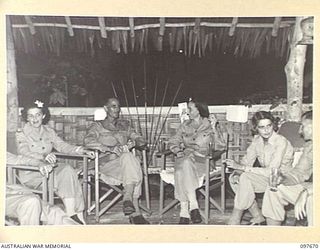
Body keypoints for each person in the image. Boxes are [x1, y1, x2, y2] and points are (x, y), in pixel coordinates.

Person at [15, 99, 94, 224]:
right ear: (26, 118)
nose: (34, 119)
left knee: (67, 169)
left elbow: (62, 146)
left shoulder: (49, 131)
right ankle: (75, 216)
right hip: (32, 173)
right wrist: (43, 156)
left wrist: (80, 150)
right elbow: (24, 152)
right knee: (69, 179)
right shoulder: (21, 133)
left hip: (49, 171)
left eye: (38, 115)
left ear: (44, 115)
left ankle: (72, 214)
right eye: (30, 116)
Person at [84, 97, 149, 224]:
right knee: (132, 162)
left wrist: (133, 143)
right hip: (106, 165)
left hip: (124, 166)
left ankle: (128, 198)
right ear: (106, 108)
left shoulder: (124, 126)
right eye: (113, 106)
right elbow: (88, 141)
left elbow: (142, 140)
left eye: (118, 106)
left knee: (128, 157)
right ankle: (135, 211)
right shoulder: (97, 126)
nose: (117, 109)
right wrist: (109, 148)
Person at [225, 111, 294, 225]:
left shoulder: (281, 142)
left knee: (245, 178)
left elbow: (273, 171)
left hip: (282, 179)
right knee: (237, 178)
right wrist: (237, 172)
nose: (266, 130)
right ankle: (256, 216)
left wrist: (241, 168)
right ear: (256, 128)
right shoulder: (257, 140)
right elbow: (246, 161)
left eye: (269, 126)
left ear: (273, 125)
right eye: (262, 127)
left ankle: (235, 218)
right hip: (268, 178)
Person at [262, 111, 313, 226]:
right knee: (274, 188)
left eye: (303, 126)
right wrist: (283, 179)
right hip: (311, 189)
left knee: (312, 200)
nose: (300, 131)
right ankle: (273, 237)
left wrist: (308, 191)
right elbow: (299, 173)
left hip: (313, 192)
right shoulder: (311, 147)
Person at [167, 99, 214, 224]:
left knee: (179, 172)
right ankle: (193, 206)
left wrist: (215, 128)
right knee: (185, 163)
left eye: (190, 109)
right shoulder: (185, 125)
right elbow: (173, 141)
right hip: (185, 157)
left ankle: (184, 211)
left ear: (199, 110)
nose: (187, 111)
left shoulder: (210, 124)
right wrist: (177, 150)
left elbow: (220, 146)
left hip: (203, 162)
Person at [6, 152, 78, 225]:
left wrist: (40, 164)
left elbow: (21, 159)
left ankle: (79, 228)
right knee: (31, 202)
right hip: (11, 196)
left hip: (12, 191)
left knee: (55, 212)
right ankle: (30, 236)